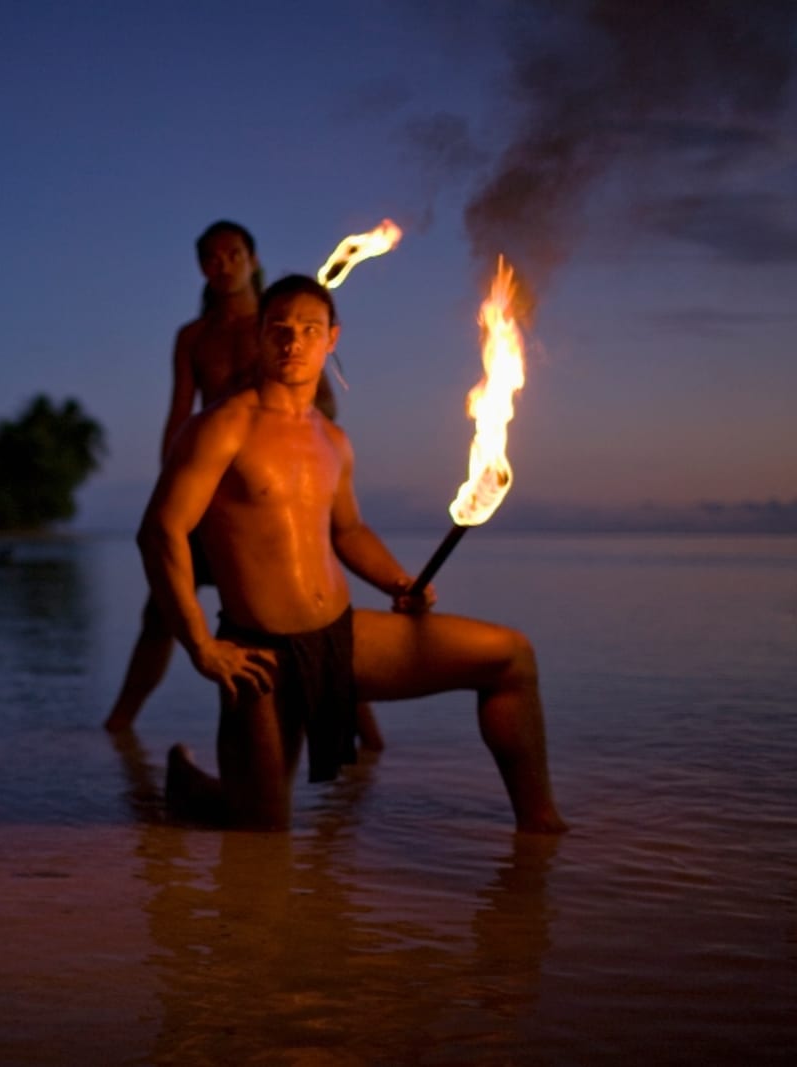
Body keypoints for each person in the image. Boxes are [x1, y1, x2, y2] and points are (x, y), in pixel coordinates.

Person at [139, 273, 565, 833]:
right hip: (260, 655)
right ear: (260, 337)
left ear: (331, 339)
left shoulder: (332, 439)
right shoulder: (222, 426)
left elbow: (349, 531)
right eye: (279, 328)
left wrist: (398, 582)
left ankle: (542, 830)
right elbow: (160, 532)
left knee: (510, 657)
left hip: (340, 636)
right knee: (261, 834)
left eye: (309, 329)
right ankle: (190, 784)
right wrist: (200, 644)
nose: (293, 342)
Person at [104, 221, 381, 750]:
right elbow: (180, 412)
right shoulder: (194, 336)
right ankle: (118, 728)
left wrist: (270, 422)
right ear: (202, 269)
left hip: (270, 490)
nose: (224, 264)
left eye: (233, 254)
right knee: (161, 608)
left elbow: (322, 404)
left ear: (252, 260)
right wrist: (174, 485)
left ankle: (369, 744)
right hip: (209, 486)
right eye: (212, 258)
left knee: (318, 617)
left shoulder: (283, 325)